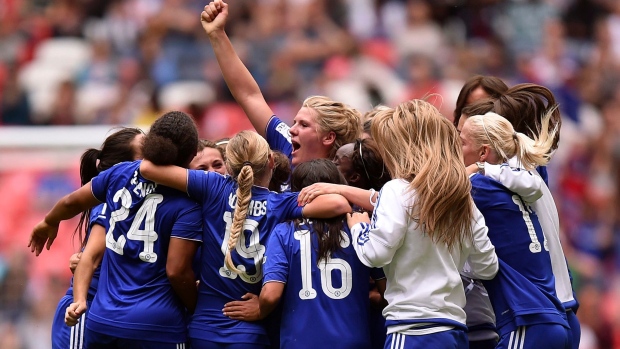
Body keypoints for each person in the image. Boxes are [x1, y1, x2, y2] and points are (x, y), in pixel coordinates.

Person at [139, 130, 352, 349]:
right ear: (271, 161)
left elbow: (146, 168)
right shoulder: (280, 204)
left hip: (204, 328)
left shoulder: (212, 186)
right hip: (250, 332)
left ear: (229, 166)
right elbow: (339, 204)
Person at [31, 111, 204, 349]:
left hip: (105, 319)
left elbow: (71, 203)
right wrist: (200, 308)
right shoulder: (190, 202)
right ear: (192, 156)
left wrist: (49, 221)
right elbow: (176, 271)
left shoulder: (118, 177)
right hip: (155, 324)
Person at [346, 99, 499, 348]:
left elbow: (375, 254)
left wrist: (359, 226)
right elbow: (487, 267)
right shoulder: (462, 197)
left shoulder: (396, 190)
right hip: (455, 332)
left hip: (411, 331)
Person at [461, 85, 580, 349]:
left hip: (534, 315)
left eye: (460, 139)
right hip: (559, 310)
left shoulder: (493, 181)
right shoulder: (530, 171)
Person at [221, 159, 386, 349]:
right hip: (353, 341)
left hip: (299, 342)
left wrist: (260, 310)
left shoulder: (283, 232)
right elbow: (388, 292)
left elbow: (271, 295)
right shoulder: (359, 228)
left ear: (296, 192)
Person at [200, 0, 361, 168]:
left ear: (328, 138)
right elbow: (248, 95)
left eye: (304, 125)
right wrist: (217, 34)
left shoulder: (343, 181)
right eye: (295, 122)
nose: (291, 129)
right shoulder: (287, 144)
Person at [51, 127, 144, 349]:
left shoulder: (144, 204)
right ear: (122, 169)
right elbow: (92, 256)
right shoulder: (111, 203)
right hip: (85, 311)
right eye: (145, 155)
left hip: (113, 314)